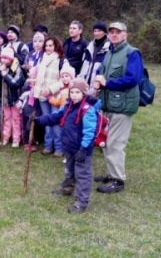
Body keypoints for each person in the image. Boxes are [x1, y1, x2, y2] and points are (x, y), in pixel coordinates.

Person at [36, 78, 99, 214]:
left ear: (84, 93)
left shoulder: (87, 110)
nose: (74, 95)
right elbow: (56, 117)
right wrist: (39, 120)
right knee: (69, 170)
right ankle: (68, 188)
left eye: (78, 92)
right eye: (72, 92)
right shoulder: (68, 106)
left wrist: (84, 149)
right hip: (69, 147)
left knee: (82, 175)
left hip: (82, 150)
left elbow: (90, 132)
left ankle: (81, 202)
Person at [94, 22, 144, 194]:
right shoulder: (109, 53)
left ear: (125, 35)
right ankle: (110, 173)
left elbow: (133, 79)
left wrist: (107, 83)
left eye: (118, 32)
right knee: (106, 142)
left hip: (122, 106)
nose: (114, 34)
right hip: (108, 104)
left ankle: (118, 180)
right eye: (112, 32)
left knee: (115, 143)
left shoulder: (132, 53)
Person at [32, 36, 69, 157]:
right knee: (46, 121)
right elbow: (38, 76)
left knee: (56, 121)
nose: (48, 48)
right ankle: (48, 146)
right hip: (43, 96)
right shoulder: (42, 59)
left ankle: (59, 148)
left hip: (56, 97)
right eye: (46, 45)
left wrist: (50, 89)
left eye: (50, 45)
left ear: (56, 46)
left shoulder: (62, 60)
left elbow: (65, 80)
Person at [0, 47, 25, 148]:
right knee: (6, 119)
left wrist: (5, 75)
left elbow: (16, 83)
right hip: (4, 99)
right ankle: (5, 137)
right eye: (2, 58)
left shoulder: (17, 68)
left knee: (16, 120)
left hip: (15, 100)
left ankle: (16, 139)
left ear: (11, 59)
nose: (3, 60)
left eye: (5, 58)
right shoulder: (0, 67)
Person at [78, 21, 110, 95]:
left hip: (98, 87)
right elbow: (84, 65)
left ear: (105, 32)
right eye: (95, 31)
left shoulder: (108, 48)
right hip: (85, 85)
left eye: (99, 31)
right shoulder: (89, 47)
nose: (96, 33)